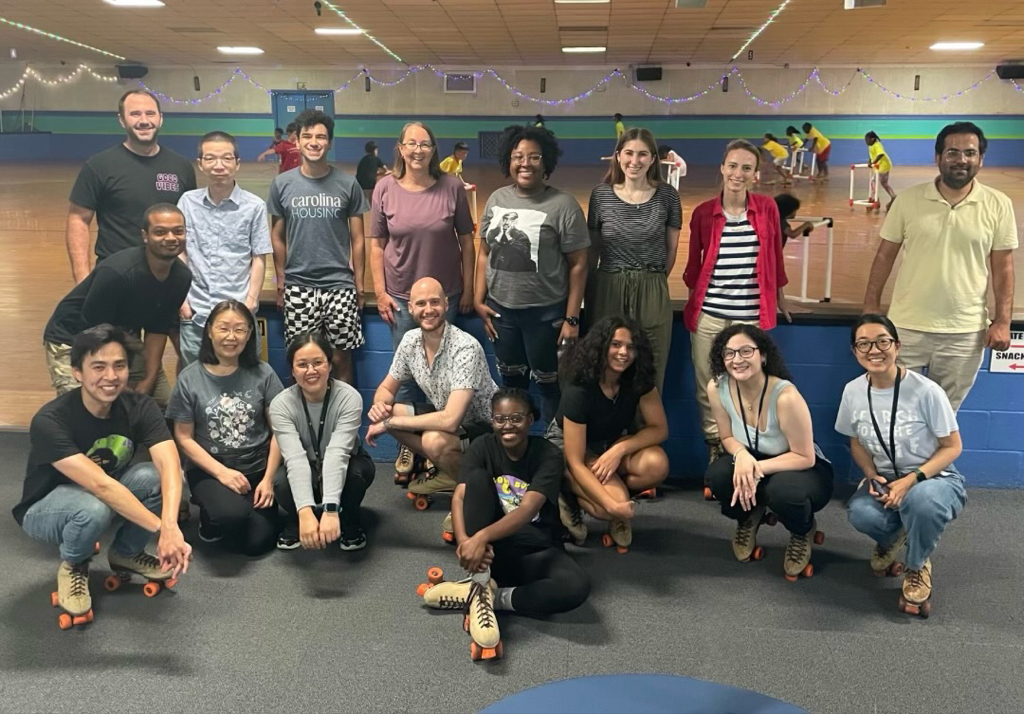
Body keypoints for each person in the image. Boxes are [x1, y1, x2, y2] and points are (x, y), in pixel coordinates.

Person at [14, 325, 192, 626]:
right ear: (77, 372)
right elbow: (101, 484)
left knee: (155, 478)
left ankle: (127, 553)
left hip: (100, 496)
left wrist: (172, 526)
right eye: (98, 367)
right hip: (45, 508)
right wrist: (164, 532)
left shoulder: (140, 406)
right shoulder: (50, 420)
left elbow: (170, 465)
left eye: (118, 366)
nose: (110, 376)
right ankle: (74, 565)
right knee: (92, 509)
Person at [418, 388, 590, 659]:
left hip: (537, 550)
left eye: (516, 418)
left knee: (576, 587)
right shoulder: (482, 447)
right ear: (493, 421)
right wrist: (465, 542)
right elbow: (460, 495)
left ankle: (489, 598)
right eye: (500, 419)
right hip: (492, 553)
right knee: (475, 480)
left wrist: (478, 538)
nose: (507, 426)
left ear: (530, 420)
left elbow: (527, 509)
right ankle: (481, 579)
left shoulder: (547, 454)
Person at [863, 121, 1017, 411]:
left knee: (943, 417)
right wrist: (871, 306)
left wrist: (1002, 321)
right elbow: (884, 256)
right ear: (938, 158)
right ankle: (893, 459)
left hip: (965, 332)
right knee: (890, 410)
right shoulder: (908, 201)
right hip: (905, 328)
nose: (961, 159)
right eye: (953, 152)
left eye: (970, 153)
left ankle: (938, 460)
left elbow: (1004, 268)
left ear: (980, 159)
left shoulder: (998, 204)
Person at [839, 314, 966, 615]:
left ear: (897, 345)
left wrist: (910, 480)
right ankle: (896, 535)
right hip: (885, 479)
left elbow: (953, 447)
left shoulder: (927, 391)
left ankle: (917, 565)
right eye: (864, 344)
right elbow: (855, 441)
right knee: (860, 514)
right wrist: (871, 475)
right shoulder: (853, 391)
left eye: (882, 341)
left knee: (923, 503)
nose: (874, 350)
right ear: (854, 351)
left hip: (934, 478)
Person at [368, 121, 475, 476]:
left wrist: (470, 289)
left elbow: (468, 240)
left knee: (442, 378)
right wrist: (381, 291)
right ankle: (407, 447)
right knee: (408, 379)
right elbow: (377, 244)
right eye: (410, 143)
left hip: (445, 296)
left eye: (424, 144)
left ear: (433, 149)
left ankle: (437, 448)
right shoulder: (384, 188)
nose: (417, 150)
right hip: (401, 298)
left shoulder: (452, 187)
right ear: (399, 148)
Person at [683, 139, 790, 473]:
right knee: (709, 387)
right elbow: (693, 266)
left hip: (750, 319)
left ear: (755, 174)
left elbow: (774, 257)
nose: (738, 173)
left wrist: (781, 300)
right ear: (722, 168)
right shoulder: (703, 213)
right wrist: (694, 306)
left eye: (746, 168)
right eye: (732, 165)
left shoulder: (768, 209)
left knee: (749, 386)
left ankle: (748, 451)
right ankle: (716, 447)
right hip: (710, 316)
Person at [476, 125, 589, 424]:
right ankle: (514, 458)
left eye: (534, 157)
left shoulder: (563, 205)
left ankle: (554, 457)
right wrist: (478, 300)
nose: (525, 163)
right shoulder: (496, 200)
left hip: (546, 316)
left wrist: (571, 319)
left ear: (546, 162)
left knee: (551, 388)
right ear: (508, 161)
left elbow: (579, 264)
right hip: (502, 315)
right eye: (518, 156)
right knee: (512, 389)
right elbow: (484, 252)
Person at [705, 325, 834, 580]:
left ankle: (802, 531)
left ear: (762, 355)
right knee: (718, 476)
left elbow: (804, 456)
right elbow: (727, 437)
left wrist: (755, 469)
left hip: (798, 466)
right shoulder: (717, 387)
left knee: (782, 492)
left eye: (745, 351)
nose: (737, 360)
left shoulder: (785, 396)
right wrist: (742, 456)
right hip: (753, 457)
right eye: (729, 353)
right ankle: (748, 516)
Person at [44, 203, 192, 407]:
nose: (170, 238)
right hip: (75, 339)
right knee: (91, 406)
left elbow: (157, 330)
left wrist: (148, 380)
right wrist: (117, 384)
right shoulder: (118, 273)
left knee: (163, 405)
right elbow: (92, 333)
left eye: (178, 231)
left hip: (122, 338)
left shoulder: (181, 277)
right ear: (145, 236)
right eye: (160, 232)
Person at [366, 278, 498, 505]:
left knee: (433, 440)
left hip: (486, 429)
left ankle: (475, 495)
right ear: (410, 308)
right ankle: (450, 471)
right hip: (450, 420)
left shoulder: (465, 347)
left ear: (446, 305)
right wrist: (380, 407)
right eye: (421, 304)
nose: (428, 310)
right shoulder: (410, 341)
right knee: (391, 412)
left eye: (435, 302)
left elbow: (450, 421)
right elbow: (387, 388)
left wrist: (389, 425)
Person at [166, 300, 284, 555]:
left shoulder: (264, 372)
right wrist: (222, 473)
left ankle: (245, 510)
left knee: (257, 544)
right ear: (209, 331)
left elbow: (280, 431)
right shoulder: (189, 378)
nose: (231, 337)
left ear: (250, 334)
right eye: (224, 328)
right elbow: (183, 437)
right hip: (211, 469)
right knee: (229, 516)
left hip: (256, 468)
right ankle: (214, 515)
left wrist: (268, 479)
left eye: (240, 329)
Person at [546, 316, 669, 551]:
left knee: (657, 463)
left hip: (609, 444)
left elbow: (660, 429)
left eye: (631, 347)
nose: (623, 352)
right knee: (610, 505)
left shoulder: (637, 378)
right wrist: (614, 509)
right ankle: (568, 494)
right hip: (571, 449)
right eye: (616, 344)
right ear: (601, 346)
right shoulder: (580, 387)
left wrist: (620, 449)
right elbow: (575, 461)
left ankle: (606, 492)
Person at [268, 109, 368, 385]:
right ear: (297, 141)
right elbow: (277, 236)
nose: (314, 142)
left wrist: (358, 286)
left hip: (339, 285)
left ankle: (344, 423)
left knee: (340, 358)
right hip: (298, 285)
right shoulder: (282, 184)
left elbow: (359, 239)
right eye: (307, 136)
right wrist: (281, 281)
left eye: (321, 136)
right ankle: (306, 423)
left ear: (330, 142)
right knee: (303, 360)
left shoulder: (348, 184)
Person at [66, 90, 196, 285]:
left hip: (168, 278)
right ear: (122, 120)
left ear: (160, 118)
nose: (144, 120)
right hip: (114, 277)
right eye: (135, 114)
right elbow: (78, 220)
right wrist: (83, 281)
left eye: (150, 113)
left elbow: (188, 226)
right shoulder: (99, 166)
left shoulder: (181, 167)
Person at [587, 128, 682, 392]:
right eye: (629, 153)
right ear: (618, 156)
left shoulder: (668, 196)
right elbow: (593, 250)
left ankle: (644, 429)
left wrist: (652, 281)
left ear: (653, 159)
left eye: (643, 154)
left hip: (651, 286)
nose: (635, 160)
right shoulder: (601, 195)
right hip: (609, 285)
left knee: (649, 365)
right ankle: (608, 430)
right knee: (606, 364)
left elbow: (671, 249)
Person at [270, 331, 376, 551]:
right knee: (280, 480)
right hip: (305, 465)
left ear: (329, 365)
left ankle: (349, 519)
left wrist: (329, 509)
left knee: (356, 473)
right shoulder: (280, 405)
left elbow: (338, 453)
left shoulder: (349, 398)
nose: (311, 371)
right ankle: (297, 519)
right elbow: (295, 458)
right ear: (292, 370)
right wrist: (305, 512)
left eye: (318, 362)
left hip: (346, 462)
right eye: (302, 364)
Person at [176, 131, 271, 368]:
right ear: (201, 164)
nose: (219, 165)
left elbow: (259, 257)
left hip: (238, 313)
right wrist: (182, 301)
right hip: (196, 312)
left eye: (226, 158)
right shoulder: (187, 202)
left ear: (237, 164)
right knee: (195, 379)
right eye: (210, 158)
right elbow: (180, 252)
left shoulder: (254, 206)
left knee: (245, 377)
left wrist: (250, 302)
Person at [865, 131, 897, 210]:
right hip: (880, 166)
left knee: (873, 183)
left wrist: (873, 162)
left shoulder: (877, 145)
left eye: (867, 139)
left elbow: (880, 154)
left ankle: (876, 201)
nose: (866, 141)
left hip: (883, 166)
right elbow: (872, 155)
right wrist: (870, 161)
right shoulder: (870, 146)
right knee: (884, 183)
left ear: (872, 139)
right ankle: (893, 196)